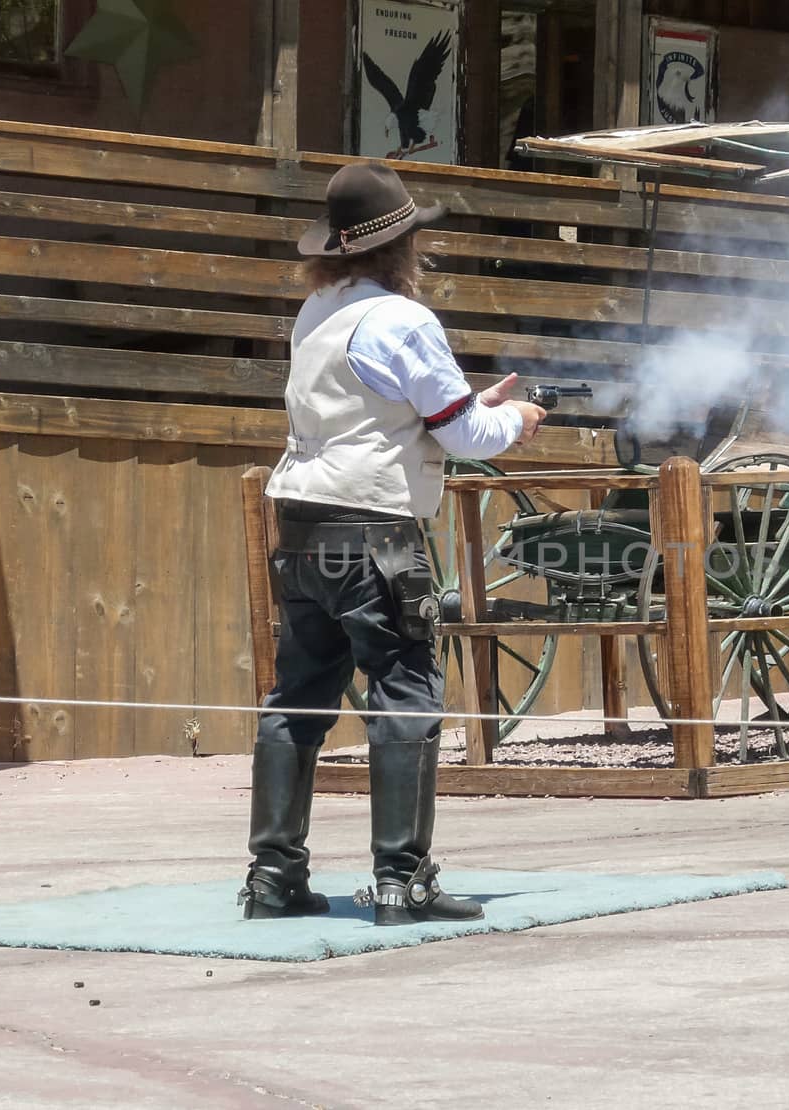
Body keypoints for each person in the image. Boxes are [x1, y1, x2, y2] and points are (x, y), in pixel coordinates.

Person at [239, 162, 547, 926]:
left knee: (294, 703)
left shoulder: (317, 309)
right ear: (402, 245)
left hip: (302, 522)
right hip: (374, 528)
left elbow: (385, 411)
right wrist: (517, 421)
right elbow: (468, 438)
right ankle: (402, 881)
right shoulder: (405, 321)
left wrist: (472, 406)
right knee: (407, 695)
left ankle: (272, 879)